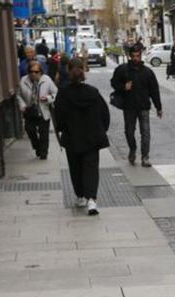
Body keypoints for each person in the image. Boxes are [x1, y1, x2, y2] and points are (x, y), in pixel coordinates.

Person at [55, 58, 109, 216]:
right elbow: (104, 113)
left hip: (73, 137)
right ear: (83, 70)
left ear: (68, 70)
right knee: (91, 168)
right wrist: (101, 129)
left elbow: (59, 116)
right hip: (92, 136)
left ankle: (80, 195)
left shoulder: (63, 93)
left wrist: (62, 128)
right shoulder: (93, 92)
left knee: (75, 167)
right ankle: (92, 199)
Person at [110, 45, 162, 167]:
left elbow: (154, 90)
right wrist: (123, 87)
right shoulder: (123, 70)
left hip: (144, 106)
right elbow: (113, 82)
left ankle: (145, 156)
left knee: (146, 132)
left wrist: (158, 107)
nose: (136, 59)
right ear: (130, 56)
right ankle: (132, 149)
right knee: (129, 131)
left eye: (137, 56)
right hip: (129, 107)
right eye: (133, 56)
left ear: (141, 56)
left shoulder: (148, 72)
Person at [16, 61, 57, 160]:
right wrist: (22, 105)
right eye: (31, 71)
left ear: (40, 72)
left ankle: (43, 153)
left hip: (43, 110)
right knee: (30, 130)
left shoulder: (46, 80)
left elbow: (56, 93)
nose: (33, 74)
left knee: (44, 134)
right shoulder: (23, 80)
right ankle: (37, 147)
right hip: (30, 110)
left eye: (36, 71)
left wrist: (47, 98)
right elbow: (18, 95)